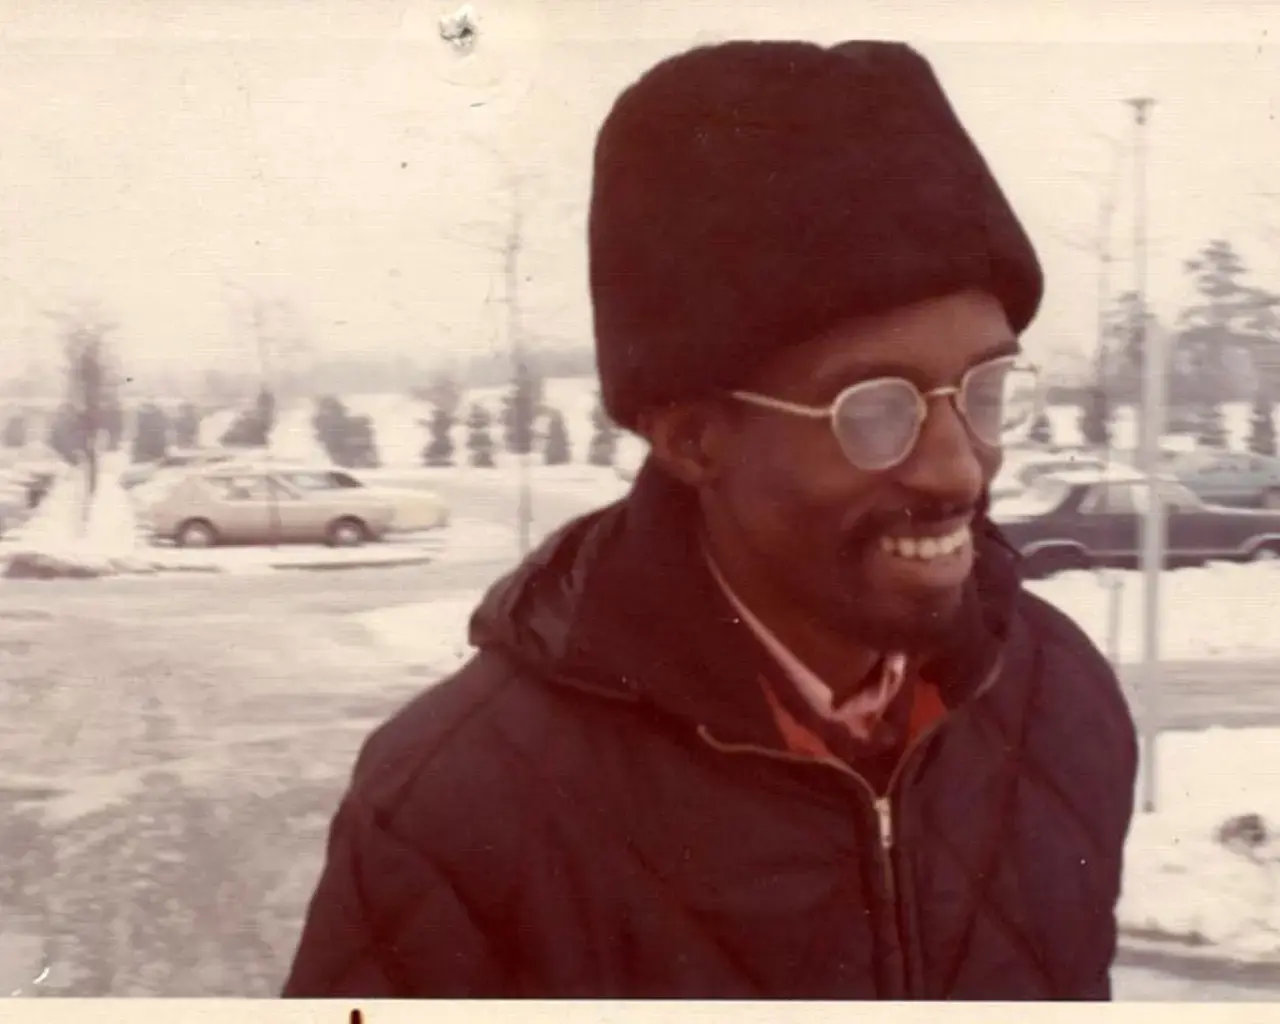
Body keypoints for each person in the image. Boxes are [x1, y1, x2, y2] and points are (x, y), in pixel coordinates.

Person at [283, 39, 1138, 1000]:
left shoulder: (1057, 697)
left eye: (984, 389)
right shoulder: (457, 806)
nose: (959, 466)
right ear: (694, 439)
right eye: (875, 407)